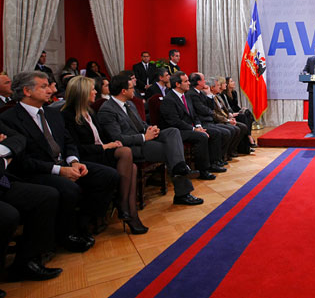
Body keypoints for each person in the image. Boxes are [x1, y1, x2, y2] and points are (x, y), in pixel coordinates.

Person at [0, 71, 119, 253]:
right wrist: (59, 170)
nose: (50, 90)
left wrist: (74, 161)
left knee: (108, 175)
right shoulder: (9, 119)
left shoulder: (53, 113)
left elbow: (68, 141)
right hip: (38, 171)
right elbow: (22, 160)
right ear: (27, 91)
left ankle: (82, 223)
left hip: (64, 163)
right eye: (44, 86)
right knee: (69, 188)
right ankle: (66, 234)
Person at [97, 74, 204, 206]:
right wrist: (144, 137)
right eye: (131, 88)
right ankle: (182, 192)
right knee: (172, 151)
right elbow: (117, 138)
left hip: (145, 138)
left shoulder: (129, 104)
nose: (134, 90)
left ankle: (179, 168)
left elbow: (141, 124)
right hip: (132, 147)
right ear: (123, 91)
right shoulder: (107, 110)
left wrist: (151, 128)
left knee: (173, 132)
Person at [61, 76, 147, 235]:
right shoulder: (67, 116)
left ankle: (128, 210)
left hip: (102, 153)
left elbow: (102, 137)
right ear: (82, 93)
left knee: (132, 165)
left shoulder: (90, 112)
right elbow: (76, 147)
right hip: (89, 157)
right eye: (92, 89)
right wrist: (106, 146)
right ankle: (126, 208)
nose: (96, 92)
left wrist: (112, 143)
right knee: (127, 155)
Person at [0, 120, 62, 282]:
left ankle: (26, 263)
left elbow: (18, 138)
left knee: (46, 196)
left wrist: (2, 151)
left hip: (3, 181)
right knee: (8, 215)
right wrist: (4, 159)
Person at [159, 72, 224, 178]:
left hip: (190, 128)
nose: (189, 83)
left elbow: (194, 115)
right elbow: (175, 121)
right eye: (186, 81)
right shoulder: (169, 100)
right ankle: (203, 170)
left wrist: (198, 126)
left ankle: (214, 163)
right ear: (177, 84)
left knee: (214, 133)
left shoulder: (186, 96)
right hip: (177, 131)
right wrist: (194, 129)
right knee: (201, 137)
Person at [187, 73, 235, 161]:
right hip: (203, 122)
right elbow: (202, 109)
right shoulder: (192, 94)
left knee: (230, 130)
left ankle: (220, 157)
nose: (205, 82)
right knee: (222, 132)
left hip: (209, 120)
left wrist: (209, 94)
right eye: (203, 80)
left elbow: (211, 107)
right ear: (198, 82)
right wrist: (211, 112)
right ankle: (215, 160)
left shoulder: (201, 93)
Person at [220, 76, 256, 148]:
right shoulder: (223, 94)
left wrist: (241, 109)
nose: (234, 82)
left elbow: (236, 105)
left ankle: (249, 136)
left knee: (247, 112)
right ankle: (249, 137)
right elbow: (227, 108)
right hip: (230, 113)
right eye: (231, 81)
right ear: (227, 84)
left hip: (235, 111)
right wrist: (233, 113)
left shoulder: (234, 92)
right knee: (243, 116)